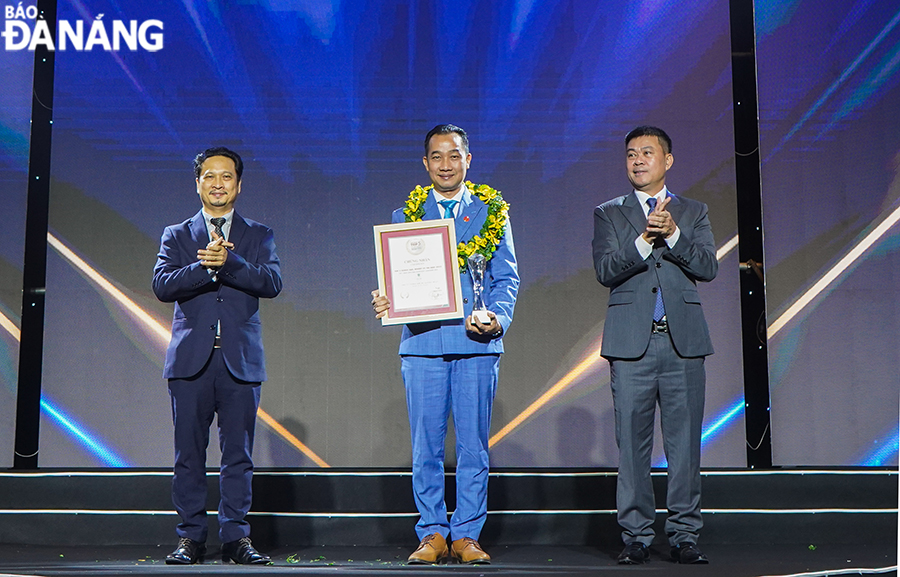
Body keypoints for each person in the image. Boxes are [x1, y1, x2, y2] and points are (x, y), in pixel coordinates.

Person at [371, 124, 519, 565]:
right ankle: (432, 532)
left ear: (468, 160)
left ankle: (467, 534)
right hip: (422, 343)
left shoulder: (492, 211)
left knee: (473, 445)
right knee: (426, 447)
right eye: (436, 157)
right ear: (425, 164)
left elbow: (506, 277)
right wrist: (386, 299)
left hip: (477, 341)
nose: (446, 164)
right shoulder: (406, 216)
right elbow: (398, 280)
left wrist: (497, 317)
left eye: (454, 155)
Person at [592, 126, 717, 565]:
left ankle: (684, 535)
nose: (638, 160)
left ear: (668, 160)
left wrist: (675, 235)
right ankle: (638, 536)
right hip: (631, 347)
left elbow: (707, 267)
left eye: (647, 152)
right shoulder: (609, 213)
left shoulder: (694, 211)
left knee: (684, 445)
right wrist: (645, 239)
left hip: (682, 343)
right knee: (632, 444)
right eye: (630, 154)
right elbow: (606, 270)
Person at [153, 147, 282, 565]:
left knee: (238, 455)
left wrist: (230, 262)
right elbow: (162, 284)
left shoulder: (259, 234)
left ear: (238, 185)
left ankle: (235, 538)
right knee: (188, 454)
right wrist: (205, 267)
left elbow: (272, 282)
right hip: (190, 361)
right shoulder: (177, 234)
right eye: (209, 176)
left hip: (240, 361)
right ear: (197, 183)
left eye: (226, 177)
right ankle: (190, 537)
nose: (218, 184)